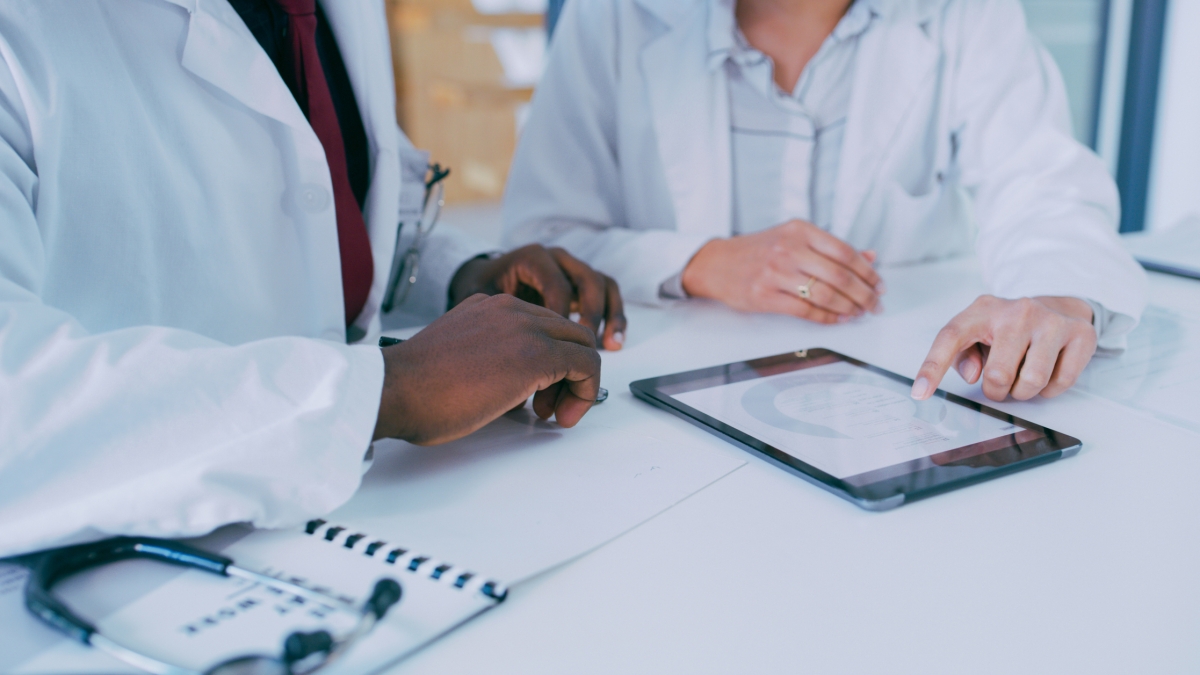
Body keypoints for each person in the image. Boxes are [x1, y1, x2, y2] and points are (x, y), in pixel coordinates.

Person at [0, 0, 625, 558]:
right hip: (143, 560)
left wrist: (461, 272)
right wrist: (385, 392)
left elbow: (330, 192)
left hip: (387, 513)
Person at [503, 0, 1147, 405]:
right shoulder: (613, 15)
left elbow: (1042, 184)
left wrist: (1061, 296)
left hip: (896, 391)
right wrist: (700, 262)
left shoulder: (965, 14)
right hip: (661, 391)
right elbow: (539, 239)